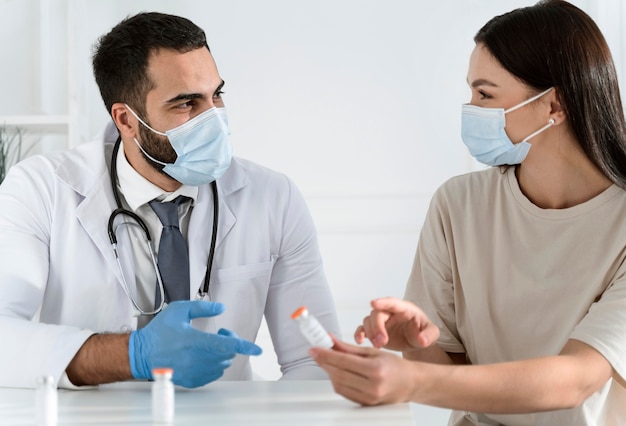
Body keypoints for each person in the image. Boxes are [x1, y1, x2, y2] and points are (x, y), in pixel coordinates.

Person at [309, 1, 626, 424]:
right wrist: (416, 345)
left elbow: (573, 381)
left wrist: (411, 380)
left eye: (485, 93)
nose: (471, 109)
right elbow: (459, 383)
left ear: (554, 105)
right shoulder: (457, 204)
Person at [0, 12, 340, 389]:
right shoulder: (40, 190)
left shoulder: (273, 198)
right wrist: (134, 355)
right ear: (126, 121)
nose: (214, 120)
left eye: (216, 95)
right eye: (186, 104)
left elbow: (317, 364)